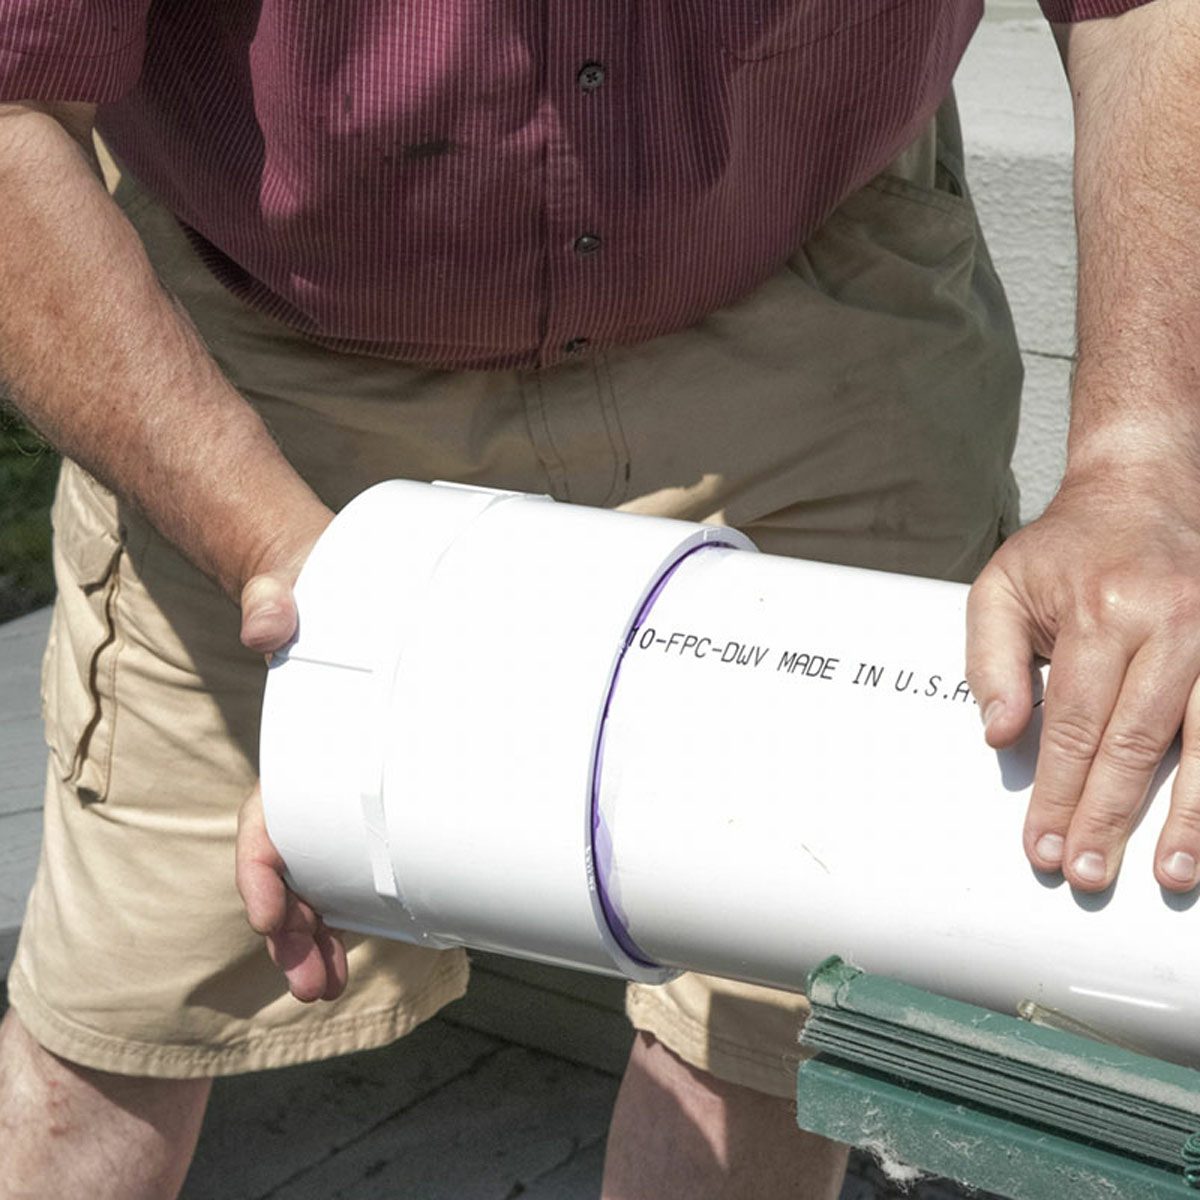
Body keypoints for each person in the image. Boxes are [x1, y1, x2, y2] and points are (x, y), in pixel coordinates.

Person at [1, 1, 1195, 1197]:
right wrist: (322, 596)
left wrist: (1142, 456)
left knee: (783, 1004)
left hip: (805, 288)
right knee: (120, 1014)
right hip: (262, 359)